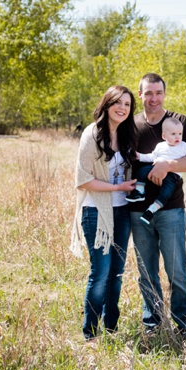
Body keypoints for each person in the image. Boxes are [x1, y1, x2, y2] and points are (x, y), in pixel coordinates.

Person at [128, 73, 186, 336]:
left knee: (177, 272)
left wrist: (168, 165)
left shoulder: (179, 122)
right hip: (138, 210)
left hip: (171, 208)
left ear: (164, 93)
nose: (153, 98)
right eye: (148, 93)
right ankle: (153, 324)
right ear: (139, 95)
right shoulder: (131, 123)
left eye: (158, 93)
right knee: (146, 271)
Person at [71, 85, 139, 342]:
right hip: (97, 210)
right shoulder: (92, 134)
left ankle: (111, 329)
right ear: (107, 104)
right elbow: (83, 179)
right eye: (118, 102)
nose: (122, 108)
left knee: (117, 273)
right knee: (100, 272)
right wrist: (116, 187)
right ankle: (90, 334)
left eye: (128, 104)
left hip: (122, 211)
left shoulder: (127, 134)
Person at [126, 116, 186, 225]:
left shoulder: (184, 146)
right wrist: (139, 156)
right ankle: (139, 192)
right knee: (141, 171)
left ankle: (151, 211)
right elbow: (152, 157)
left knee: (165, 194)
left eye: (180, 133)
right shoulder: (160, 146)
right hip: (155, 168)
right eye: (173, 134)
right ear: (164, 136)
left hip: (173, 176)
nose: (177, 137)